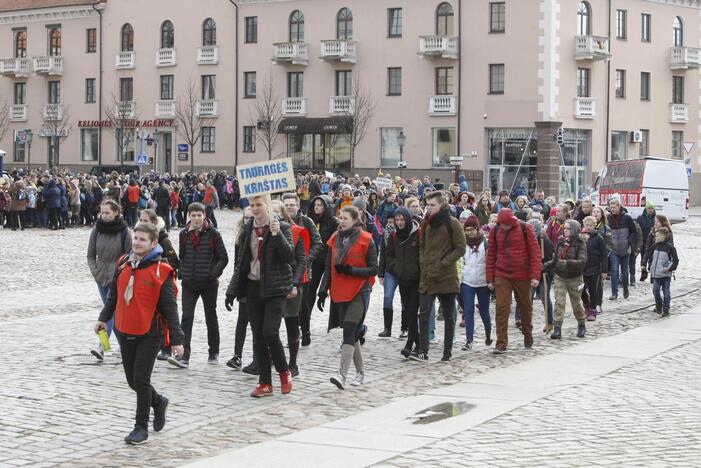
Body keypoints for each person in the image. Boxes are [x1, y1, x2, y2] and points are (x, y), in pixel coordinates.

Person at [94, 222, 184, 445]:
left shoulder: (162, 271)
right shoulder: (124, 263)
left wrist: (177, 340)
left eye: (143, 239)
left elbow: (170, 309)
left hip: (150, 332)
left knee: (141, 380)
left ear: (153, 243)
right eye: (136, 238)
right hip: (125, 330)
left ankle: (140, 427)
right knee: (132, 381)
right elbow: (114, 295)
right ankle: (159, 401)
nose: (137, 242)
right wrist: (103, 318)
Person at [225, 195, 295, 398]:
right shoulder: (248, 229)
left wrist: (277, 233)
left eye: (259, 205)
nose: (255, 209)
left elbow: (289, 256)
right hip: (253, 287)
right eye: (252, 205)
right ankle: (265, 382)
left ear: (267, 206)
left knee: (270, 332)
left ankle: (284, 372)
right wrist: (232, 290)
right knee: (257, 335)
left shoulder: (281, 227)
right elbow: (241, 262)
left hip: (276, 287)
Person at [317, 206, 377, 389]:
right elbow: (328, 267)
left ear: (355, 220)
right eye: (340, 217)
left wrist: (351, 271)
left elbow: (374, 268)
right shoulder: (334, 239)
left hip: (360, 290)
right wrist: (322, 290)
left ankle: (341, 375)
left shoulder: (367, 240)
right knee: (353, 333)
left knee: (350, 328)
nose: (342, 221)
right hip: (340, 291)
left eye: (346, 218)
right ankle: (360, 373)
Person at [169, 202, 228, 368]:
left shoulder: (213, 234)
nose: (196, 218)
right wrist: (183, 271)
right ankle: (184, 354)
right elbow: (183, 255)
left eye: (199, 215)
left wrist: (212, 273)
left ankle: (213, 351)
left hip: (208, 283)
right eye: (193, 215)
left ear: (204, 216)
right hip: (189, 282)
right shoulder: (184, 234)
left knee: (211, 317)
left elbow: (223, 258)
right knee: (186, 317)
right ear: (189, 216)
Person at [413, 191, 466, 362]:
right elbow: (422, 246)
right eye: (427, 205)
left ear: (442, 204)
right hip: (428, 275)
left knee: (449, 316)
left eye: (432, 205)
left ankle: (447, 351)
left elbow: (460, 248)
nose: (429, 209)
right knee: (424, 313)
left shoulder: (453, 223)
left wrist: (443, 263)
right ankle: (423, 349)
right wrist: (423, 262)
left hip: (446, 276)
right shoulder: (425, 223)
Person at [486, 208, 541, 354]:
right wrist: (490, 279)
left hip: (522, 274)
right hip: (502, 274)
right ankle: (501, 343)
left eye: (506, 224)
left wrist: (535, 276)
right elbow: (491, 255)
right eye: (501, 224)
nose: (504, 227)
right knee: (502, 308)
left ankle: (528, 335)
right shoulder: (495, 230)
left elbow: (535, 253)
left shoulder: (525, 228)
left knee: (525, 307)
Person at [87, 200, 132, 360]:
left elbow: (130, 254)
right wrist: (95, 270)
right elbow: (91, 254)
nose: (104, 215)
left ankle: (103, 345)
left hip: (118, 276)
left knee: (111, 311)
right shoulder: (96, 230)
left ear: (115, 213)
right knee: (110, 310)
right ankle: (118, 346)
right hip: (101, 276)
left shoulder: (124, 231)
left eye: (107, 212)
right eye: (102, 212)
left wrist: (122, 271)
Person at [282, 193, 322, 350]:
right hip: (285, 269)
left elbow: (318, 242)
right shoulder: (279, 221)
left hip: (303, 269)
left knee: (303, 304)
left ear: (298, 206)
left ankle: (305, 332)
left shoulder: (306, 221)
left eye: (292, 204)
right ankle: (293, 335)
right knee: (288, 304)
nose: (290, 207)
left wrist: (307, 259)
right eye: (287, 205)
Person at [384, 206, 421, 358]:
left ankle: (409, 344)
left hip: (417, 280)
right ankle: (418, 344)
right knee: (408, 311)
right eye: (397, 220)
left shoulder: (418, 233)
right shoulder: (394, 235)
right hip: (402, 278)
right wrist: (396, 267)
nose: (399, 223)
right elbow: (388, 255)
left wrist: (419, 269)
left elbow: (423, 254)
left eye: (402, 219)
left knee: (412, 312)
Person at [304, 195, 339, 346]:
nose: (316, 207)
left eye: (320, 205)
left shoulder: (333, 222)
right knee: (309, 293)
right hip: (315, 261)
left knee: (334, 294)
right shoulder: (309, 220)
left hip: (330, 261)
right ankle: (304, 327)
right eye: (315, 205)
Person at [547, 219, 588, 339]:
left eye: (568, 228)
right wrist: (546, 265)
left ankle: (581, 323)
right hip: (560, 276)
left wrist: (565, 263)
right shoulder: (560, 242)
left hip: (575, 277)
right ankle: (557, 328)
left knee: (576, 303)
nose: (565, 230)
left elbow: (582, 261)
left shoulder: (580, 243)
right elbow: (556, 260)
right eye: (564, 228)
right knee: (559, 302)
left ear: (574, 230)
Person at [459, 216, 492, 350]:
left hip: (483, 282)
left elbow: (490, 262)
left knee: (484, 311)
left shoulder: (485, 243)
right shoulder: (462, 244)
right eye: (466, 230)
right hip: (467, 281)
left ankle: (488, 334)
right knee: (468, 310)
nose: (468, 232)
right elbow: (460, 262)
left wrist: (491, 280)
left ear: (477, 229)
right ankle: (469, 340)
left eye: (471, 229)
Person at [226, 207, 253, 371]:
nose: (248, 221)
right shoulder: (241, 237)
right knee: (242, 321)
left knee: (259, 325)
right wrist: (232, 289)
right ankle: (238, 355)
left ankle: (261, 357)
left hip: (260, 285)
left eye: (251, 218)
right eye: (246, 218)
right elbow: (238, 265)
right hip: (245, 283)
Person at [607, 197, 637, 300]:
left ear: (619, 206)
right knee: (614, 271)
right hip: (614, 249)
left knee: (624, 272)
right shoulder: (609, 218)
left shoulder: (627, 217)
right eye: (611, 207)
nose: (612, 209)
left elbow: (634, 232)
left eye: (614, 207)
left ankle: (625, 288)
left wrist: (630, 244)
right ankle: (614, 293)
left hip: (625, 249)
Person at [646, 227, 679, 317]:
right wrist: (647, 265)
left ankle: (666, 309)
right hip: (656, 274)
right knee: (655, 290)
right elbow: (649, 256)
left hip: (665, 274)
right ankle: (659, 304)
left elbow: (675, 260)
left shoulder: (670, 247)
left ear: (663, 236)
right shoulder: (654, 246)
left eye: (657, 236)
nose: (655, 238)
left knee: (666, 293)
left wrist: (670, 268)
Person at [580, 216, 608, 322]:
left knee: (593, 290)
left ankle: (592, 311)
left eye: (591, 225)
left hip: (595, 268)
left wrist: (604, 270)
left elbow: (604, 255)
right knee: (581, 290)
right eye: (586, 225)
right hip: (582, 268)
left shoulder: (599, 238)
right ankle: (586, 304)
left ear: (594, 225)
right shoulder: (581, 237)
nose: (588, 227)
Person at [635, 202, 656, 281]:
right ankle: (643, 272)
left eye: (652, 208)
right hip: (643, 242)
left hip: (652, 242)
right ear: (645, 209)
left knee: (653, 259)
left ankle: (652, 276)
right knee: (643, 258)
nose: (650, 210)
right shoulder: (640, 218)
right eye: (649, 208)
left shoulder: (655, 219)